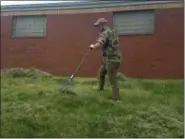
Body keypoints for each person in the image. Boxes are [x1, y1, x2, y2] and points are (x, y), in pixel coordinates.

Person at [89, 18, 122, 101]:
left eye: (98, 26)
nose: (97, 27)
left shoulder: (105, 33)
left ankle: (116, 98)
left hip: (112, 60)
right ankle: (100, 89)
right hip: (110, 58)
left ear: (102, 25)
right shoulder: (112, 31)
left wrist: (93, 46)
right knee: (101, 73)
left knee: (112, 79)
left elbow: (100, 43)